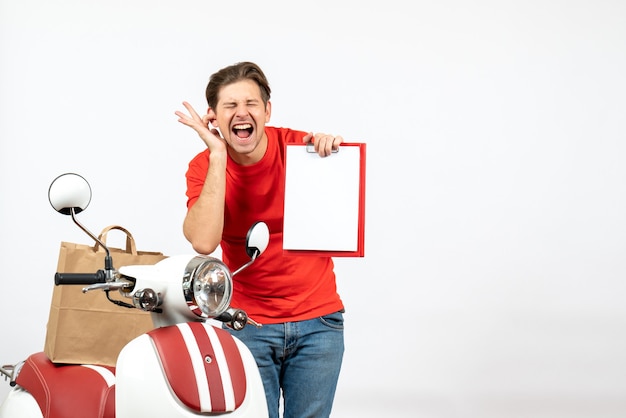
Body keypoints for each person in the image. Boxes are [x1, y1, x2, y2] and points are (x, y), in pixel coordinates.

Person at [174, 61, 345, 418]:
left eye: (251, 103)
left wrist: (333, 158)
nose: (242, 113)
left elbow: (338, 206)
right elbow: (204, 243)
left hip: (318, 322)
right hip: (247, 324)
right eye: (230, 106)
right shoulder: (204, 166)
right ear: (213, 117)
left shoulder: (302, 150)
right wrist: (218, 155)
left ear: (267, 110)